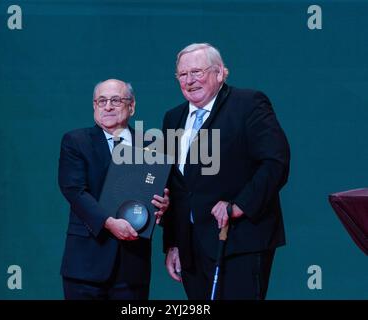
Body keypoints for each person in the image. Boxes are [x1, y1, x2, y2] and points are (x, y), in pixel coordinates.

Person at [162, 43, 290, 300]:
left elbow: (275, 162)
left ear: (220, 73)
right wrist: (173, 244)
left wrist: (239, 205)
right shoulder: (173, 118)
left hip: (239, 240)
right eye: (183, 75)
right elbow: (176, 186)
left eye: (197, 72)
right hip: (192, 249)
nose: (190, 80)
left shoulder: (248, 103)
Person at [58, 79, 169, 300]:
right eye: (101, 101)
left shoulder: (151, 145)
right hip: (86, 265)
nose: (108, 106)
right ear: (94, 106)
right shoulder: (76, 141)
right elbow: (74, 190)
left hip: (133, 268)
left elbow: (160, 194)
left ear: (132, 106)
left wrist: (165, 205)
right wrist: (109, 223)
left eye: (116, 100)